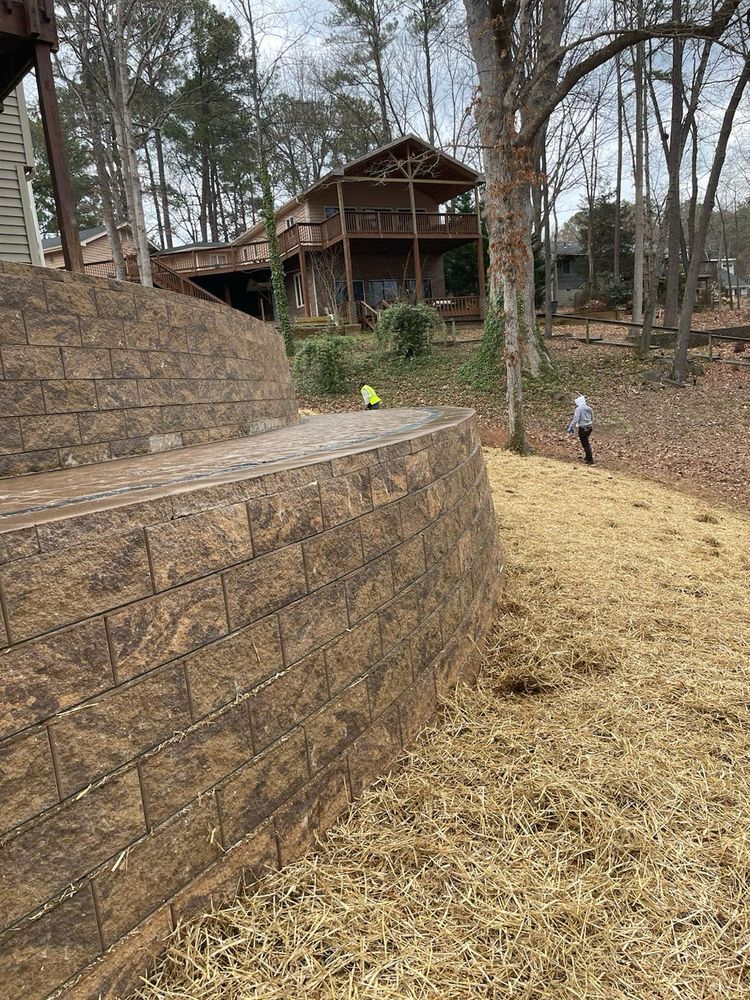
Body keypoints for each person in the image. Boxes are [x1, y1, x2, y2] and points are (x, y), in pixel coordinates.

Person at [567, 393, 594, 464]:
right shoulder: (589, 408)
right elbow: (592, 417)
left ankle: (590, 460)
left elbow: (576, 419)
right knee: (586, 442)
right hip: (589, 427)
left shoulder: (578, 409)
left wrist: (571, 426)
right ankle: (587, 457)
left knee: (585, 444)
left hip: (583, 428)